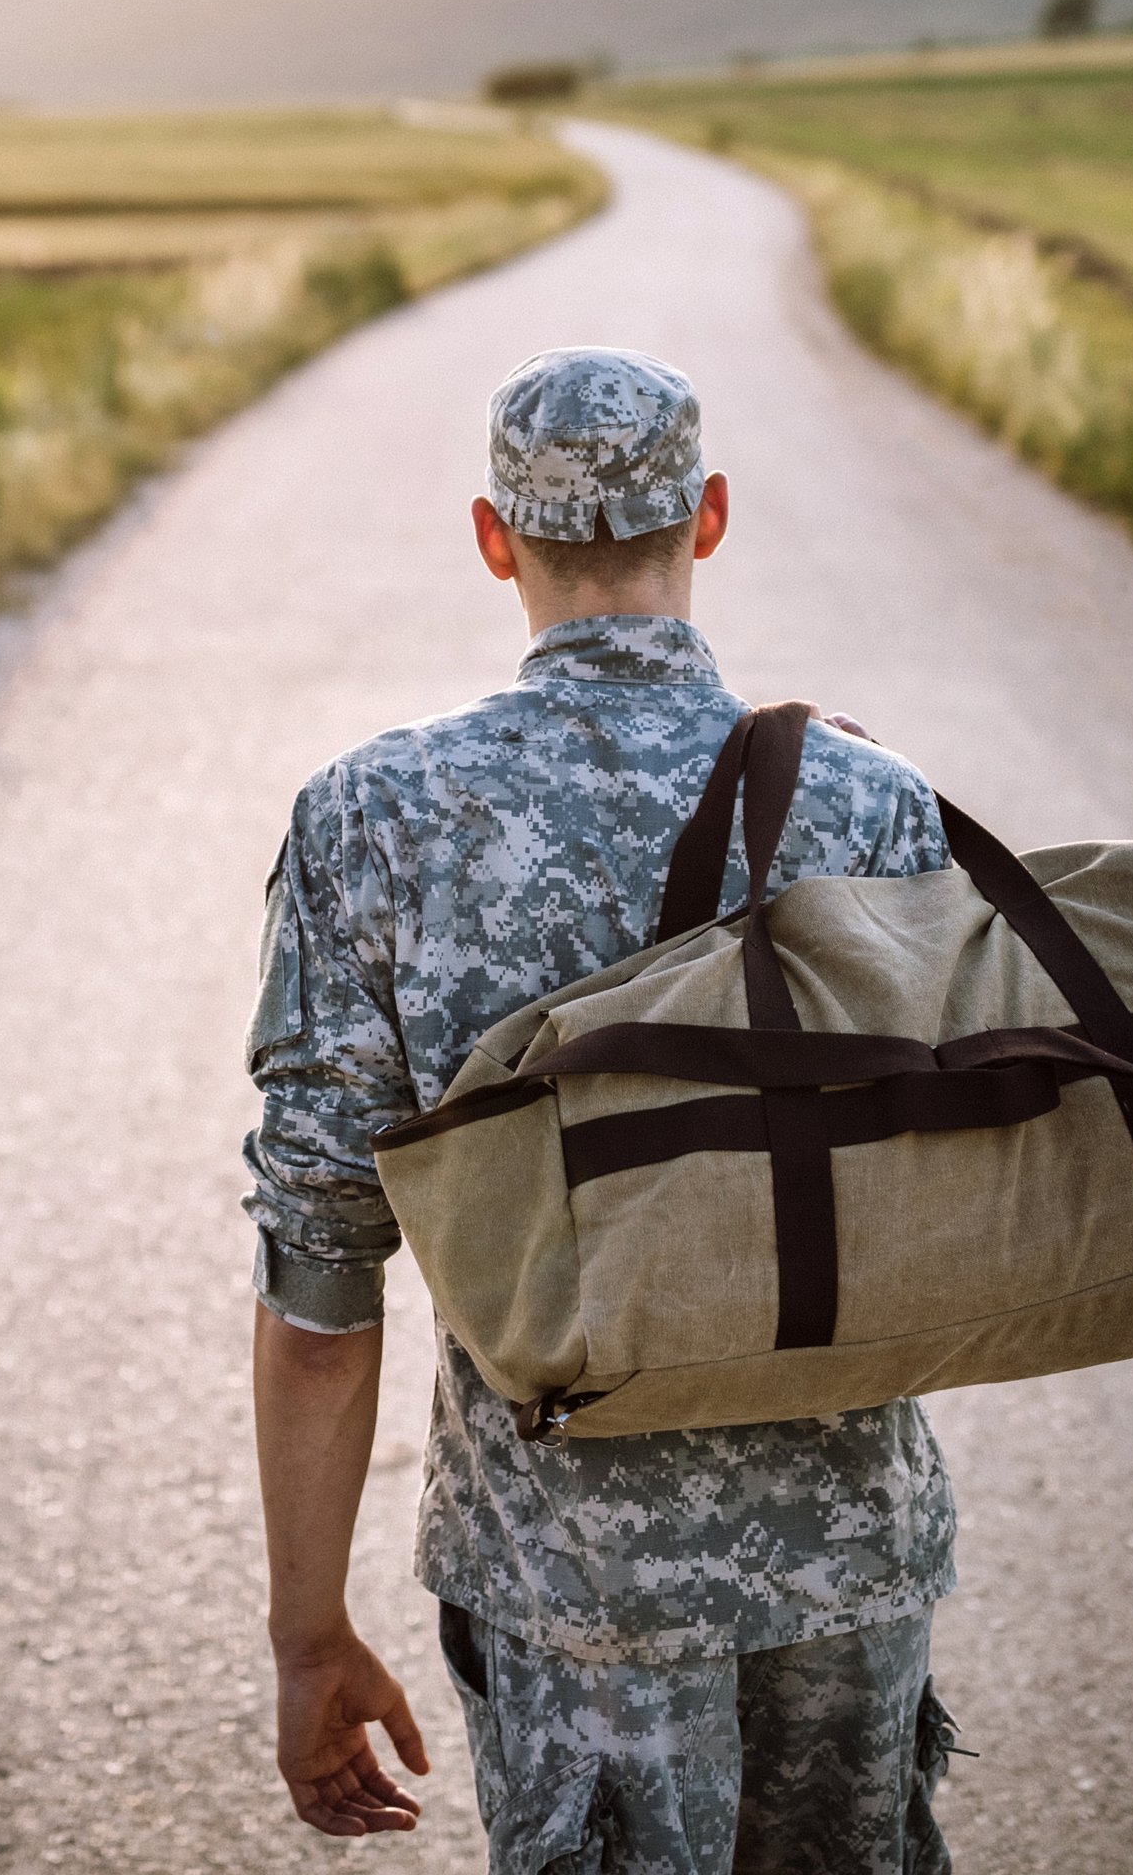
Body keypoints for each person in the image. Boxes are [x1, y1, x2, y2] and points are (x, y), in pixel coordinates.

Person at [244, 345, 967, 1873]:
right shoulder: (872, 801)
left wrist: (309, 1636)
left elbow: (321, 1288)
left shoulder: (375, 821)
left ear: (495, 537)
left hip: (571, 1593)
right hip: (850, 1566)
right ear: (708, 518)